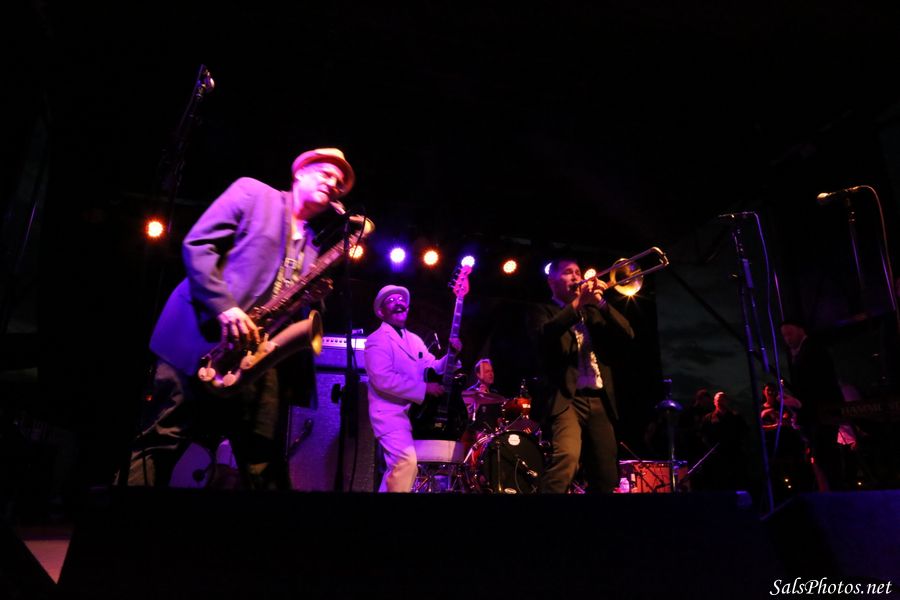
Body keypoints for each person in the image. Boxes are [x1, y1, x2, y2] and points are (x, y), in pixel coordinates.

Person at [124, 148, 355, 489]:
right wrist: (224, 306)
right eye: (326, 173)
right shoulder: (253, 193)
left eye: (339, 183)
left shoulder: (312, 247)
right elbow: (198, 245)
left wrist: (313, 301)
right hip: (200, 335)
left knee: (264, 461)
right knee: (161, 440)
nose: (333, 183)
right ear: (300, 172)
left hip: (253, 355)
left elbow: (293, 307)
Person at [535, 257, 635, 494]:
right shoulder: (543, 311)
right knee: (566, 459)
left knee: (606, 474)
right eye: (568, 272)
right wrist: (579, 302)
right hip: (567, 399)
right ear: (551, 281)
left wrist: (600, 302)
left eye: (578, 272)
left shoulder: (592, 312)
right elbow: (546, 334)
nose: (576, 277)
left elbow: (628, 333)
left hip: (599, 399)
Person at [365, 285, 462, 492]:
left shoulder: (415, 340)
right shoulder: (376, 340)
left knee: (398, 469)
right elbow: (383, 378)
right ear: (381, 312)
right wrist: (424, 388)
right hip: (388, 414)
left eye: (401, 299)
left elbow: (433, 366)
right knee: (405, 463)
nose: (399, 303)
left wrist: (452, 355)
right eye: (391, 301)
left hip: (413, 415)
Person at [780, 319, 844, 490]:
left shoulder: (812, 350)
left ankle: (834, 493)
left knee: (825, 454)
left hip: (824, 410)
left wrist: (799, 404)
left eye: (789, 333)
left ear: (801, 330)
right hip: (820, 410)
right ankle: (832, 492)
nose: (787, 339)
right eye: (784, 336)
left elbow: (819, 384)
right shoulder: (804, 351)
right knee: (822, 454)